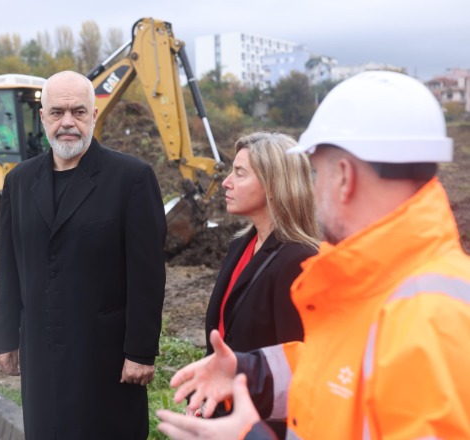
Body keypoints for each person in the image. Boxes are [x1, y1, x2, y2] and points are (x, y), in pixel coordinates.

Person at [157, 70, 470, 439]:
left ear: (344, 176)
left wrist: (250, 436)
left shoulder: (431, 317)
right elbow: (335, 372)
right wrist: (248, 372)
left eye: (317, 171)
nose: (313, 186)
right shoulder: (379, 286)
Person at [0, 70, 167, 439]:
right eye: (57, 112)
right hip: (41, 355)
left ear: (94, 114)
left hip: (103, 358)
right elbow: (9, 266)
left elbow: (147, 275)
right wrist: (6, 336)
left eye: (78, 112)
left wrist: (141, 351)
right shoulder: (19, 181)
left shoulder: (131, 178)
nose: (67, 122)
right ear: (42, 118)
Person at [201, 132, 319, 438]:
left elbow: (297, 369)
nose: (226, 182)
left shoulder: (298, 260)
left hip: (261, 425)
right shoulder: (241, 244)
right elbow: (223, 336)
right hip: (225, 414)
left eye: (239, 173)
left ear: (273, 184)